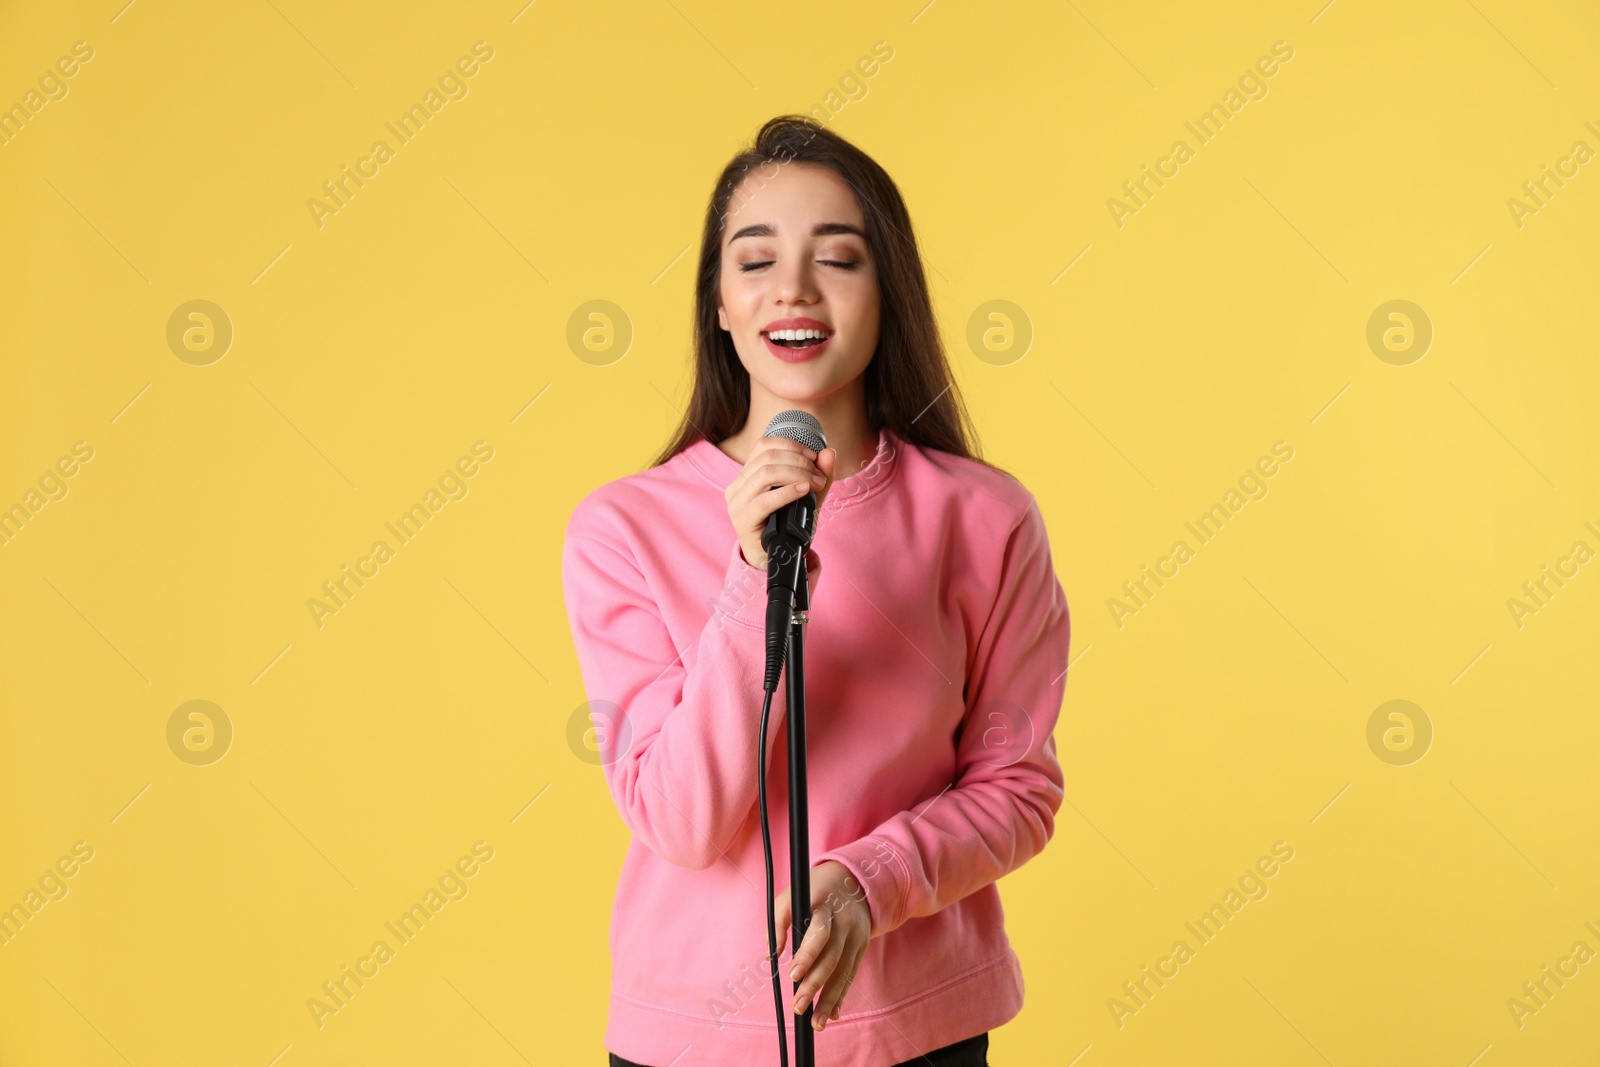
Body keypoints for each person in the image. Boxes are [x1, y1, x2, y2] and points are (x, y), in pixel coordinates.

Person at [561, 115, 1071, 1067]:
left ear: (889, 294)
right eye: (754, 262)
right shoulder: (620, 529)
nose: (791, 288)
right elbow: (682, 818)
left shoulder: (985, 519)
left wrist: (869, 881)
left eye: (837, 258)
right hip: (690, 1041)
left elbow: (1017, 786)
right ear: (718, 303)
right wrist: (752, 578)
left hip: (918, 1030)